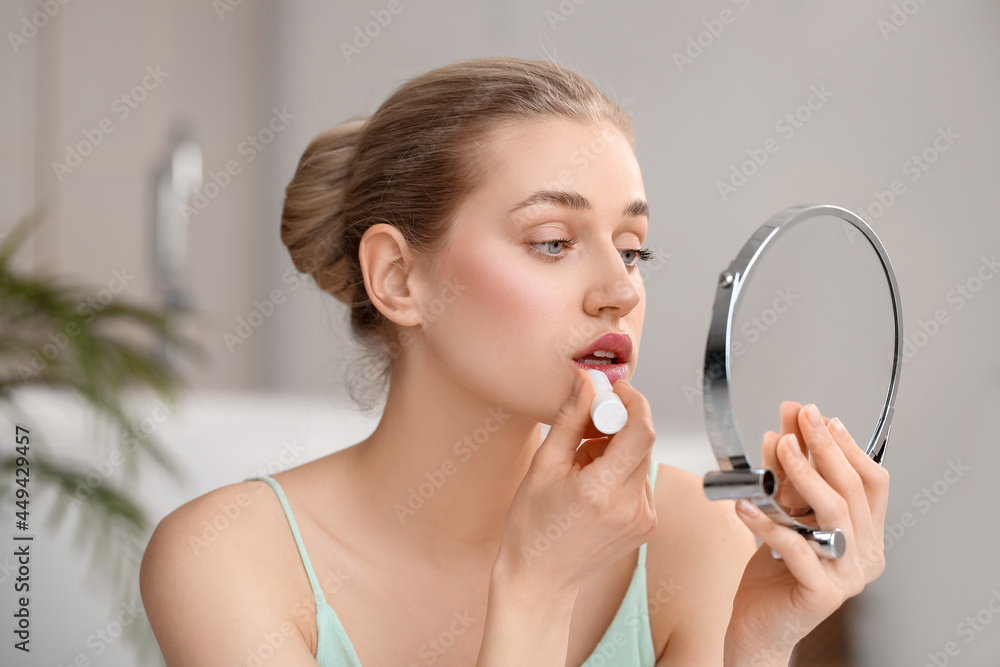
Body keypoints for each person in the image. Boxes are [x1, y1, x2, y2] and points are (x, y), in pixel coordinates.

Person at [139, 56, 889, 666]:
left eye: (633, 250)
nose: (620, 290)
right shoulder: (225, 559)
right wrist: (536, 589)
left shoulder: (687, 537)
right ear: (399, 278)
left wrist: (757, 648)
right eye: (553, 242)